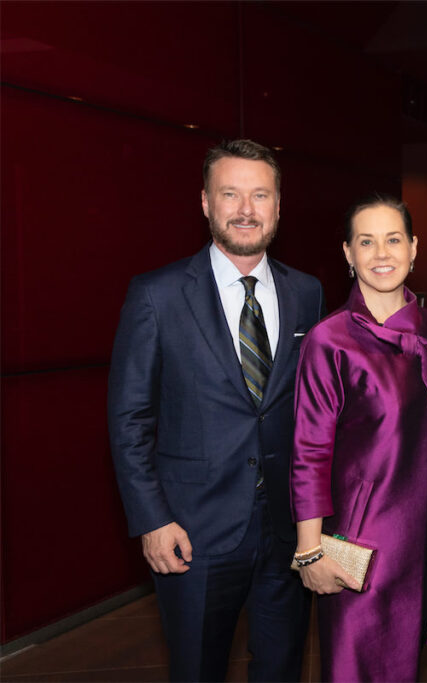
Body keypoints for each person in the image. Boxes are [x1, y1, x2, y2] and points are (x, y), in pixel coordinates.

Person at [108, 139, 324, 681]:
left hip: (288, 531)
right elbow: (129, 419)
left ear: (279, 205)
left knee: (282, 668)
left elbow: (316, 410)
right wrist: (153, 520)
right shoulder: (156, 295)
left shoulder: (309, 293)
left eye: (259, 195)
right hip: (192, 534)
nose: (245, 210)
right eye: (230, 194)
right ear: (206, 202)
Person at [290, 196, 427, 682]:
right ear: (348, 253)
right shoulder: (329, 340)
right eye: (366, 241)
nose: (382, 252)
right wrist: (310, 551)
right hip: (362, 552)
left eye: (393, 239)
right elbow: (309, 452)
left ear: (414, 248)